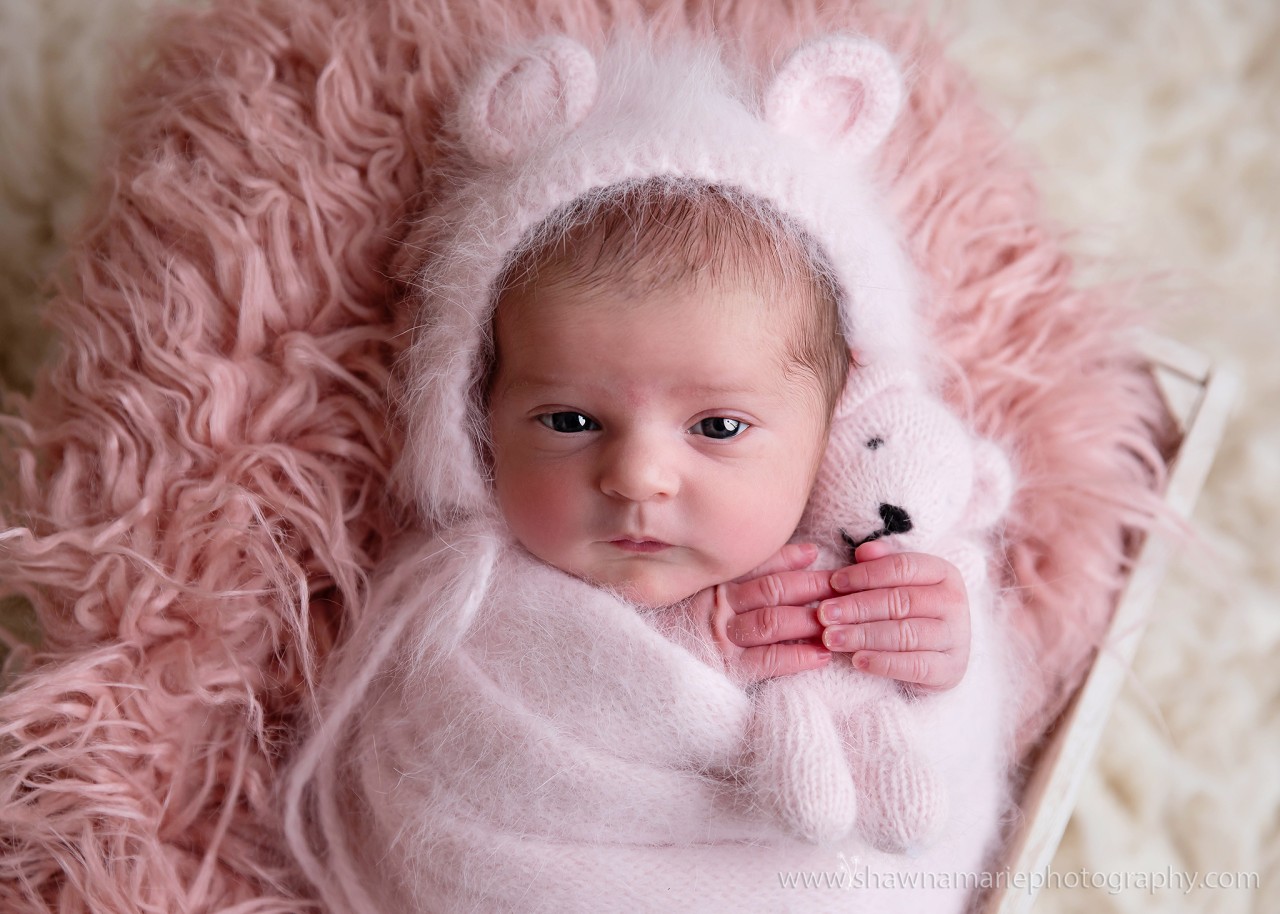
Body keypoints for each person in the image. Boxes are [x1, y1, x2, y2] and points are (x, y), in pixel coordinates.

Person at [285, 31, 1012, 914]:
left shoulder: (871, 565)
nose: (637, 477)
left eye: (718, 426)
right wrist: (686, 653)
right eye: (570, 421)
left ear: (838, 422)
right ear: (476, 419)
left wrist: (935, 661)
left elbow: (946, 774)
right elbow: (448, 780)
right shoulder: (472, 607)